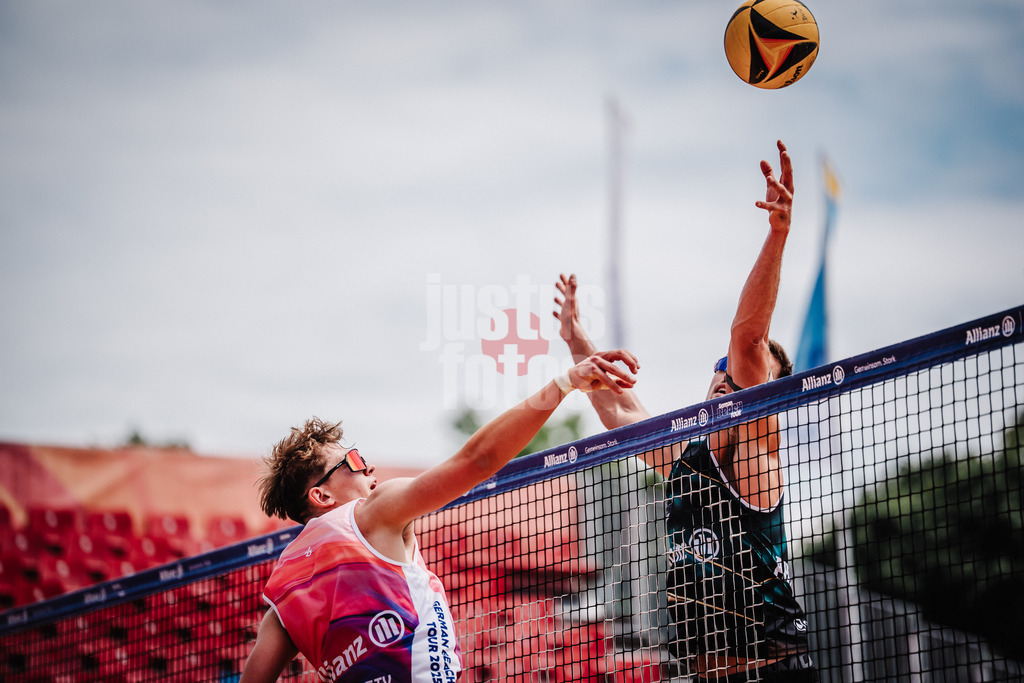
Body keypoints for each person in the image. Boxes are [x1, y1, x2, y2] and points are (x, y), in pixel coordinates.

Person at [553, 140, 818, 682]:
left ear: (766, 391)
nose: (726, 372)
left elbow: (748, 337)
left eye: (745, 369)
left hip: (771, 672)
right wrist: (578, 343)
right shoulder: (685, 453)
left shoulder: (753, 447)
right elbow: (617, 409)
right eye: (720, 367)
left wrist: (778, 234)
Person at [238, 348, 640, 683]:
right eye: (353, 460)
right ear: (321, 494)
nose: (368, 468)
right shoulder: (371, 513)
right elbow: (478, 459)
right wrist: (563, 384)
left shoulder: (283, 593)